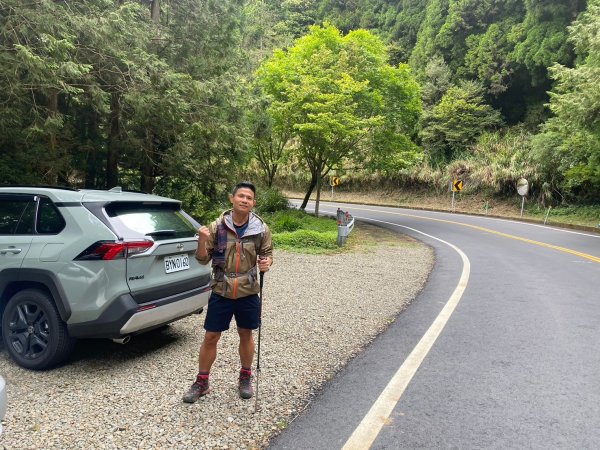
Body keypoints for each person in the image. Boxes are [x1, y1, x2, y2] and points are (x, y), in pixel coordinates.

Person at [183, 181, 273, 403]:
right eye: (241, 196)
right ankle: (202, 382)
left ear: (253, 203)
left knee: (246, 333)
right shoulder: (217, 227)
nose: (244, 200)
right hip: (221, 289)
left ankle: (245, 377)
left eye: (249, 198)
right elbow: (203, 259)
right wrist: (202, 241)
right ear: (231, 198)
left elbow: (267, 253)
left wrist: (267, 262)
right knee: (211, 336)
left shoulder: (261, 229)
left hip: (248, 290)